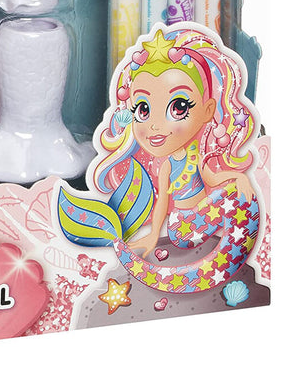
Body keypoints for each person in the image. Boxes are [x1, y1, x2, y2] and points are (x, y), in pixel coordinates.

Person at [58, 25, 260, 293]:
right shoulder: (168, 165)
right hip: (182, 227)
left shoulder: (196, 155)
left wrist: (237, 178)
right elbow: (162, 200)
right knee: (242, 202)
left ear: (208, 109)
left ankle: (228, 256)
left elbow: (212, 178)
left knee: (243, 197)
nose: (154, 125)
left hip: (200, 220)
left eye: (178, 107)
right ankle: (220, 259)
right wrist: (153, 236)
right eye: (143, 109)